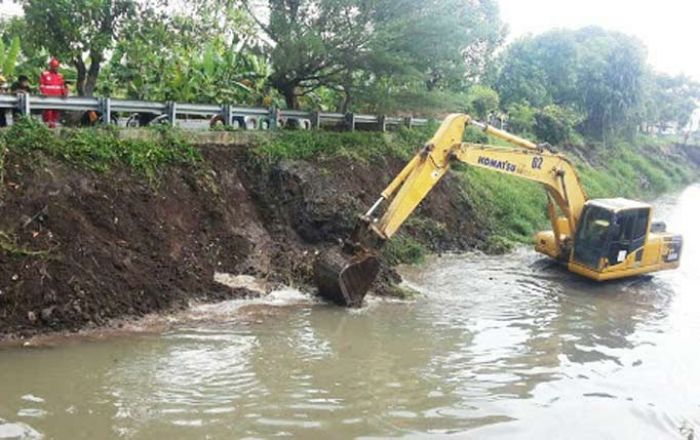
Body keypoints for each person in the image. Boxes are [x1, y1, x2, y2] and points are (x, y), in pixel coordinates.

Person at [39, 58, 68, 128]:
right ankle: (47, 126)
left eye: (57, 67)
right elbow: (41, 85)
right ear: (51, 66)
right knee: (48, 113)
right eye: (54, 66)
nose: (56, 68)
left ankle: (53, 126)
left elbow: (62, 86)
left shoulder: (60, 76)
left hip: (57, 98)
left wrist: (65, 93)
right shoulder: (44, 74)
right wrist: (43, 93)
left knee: (56, 113)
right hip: (47, 98)